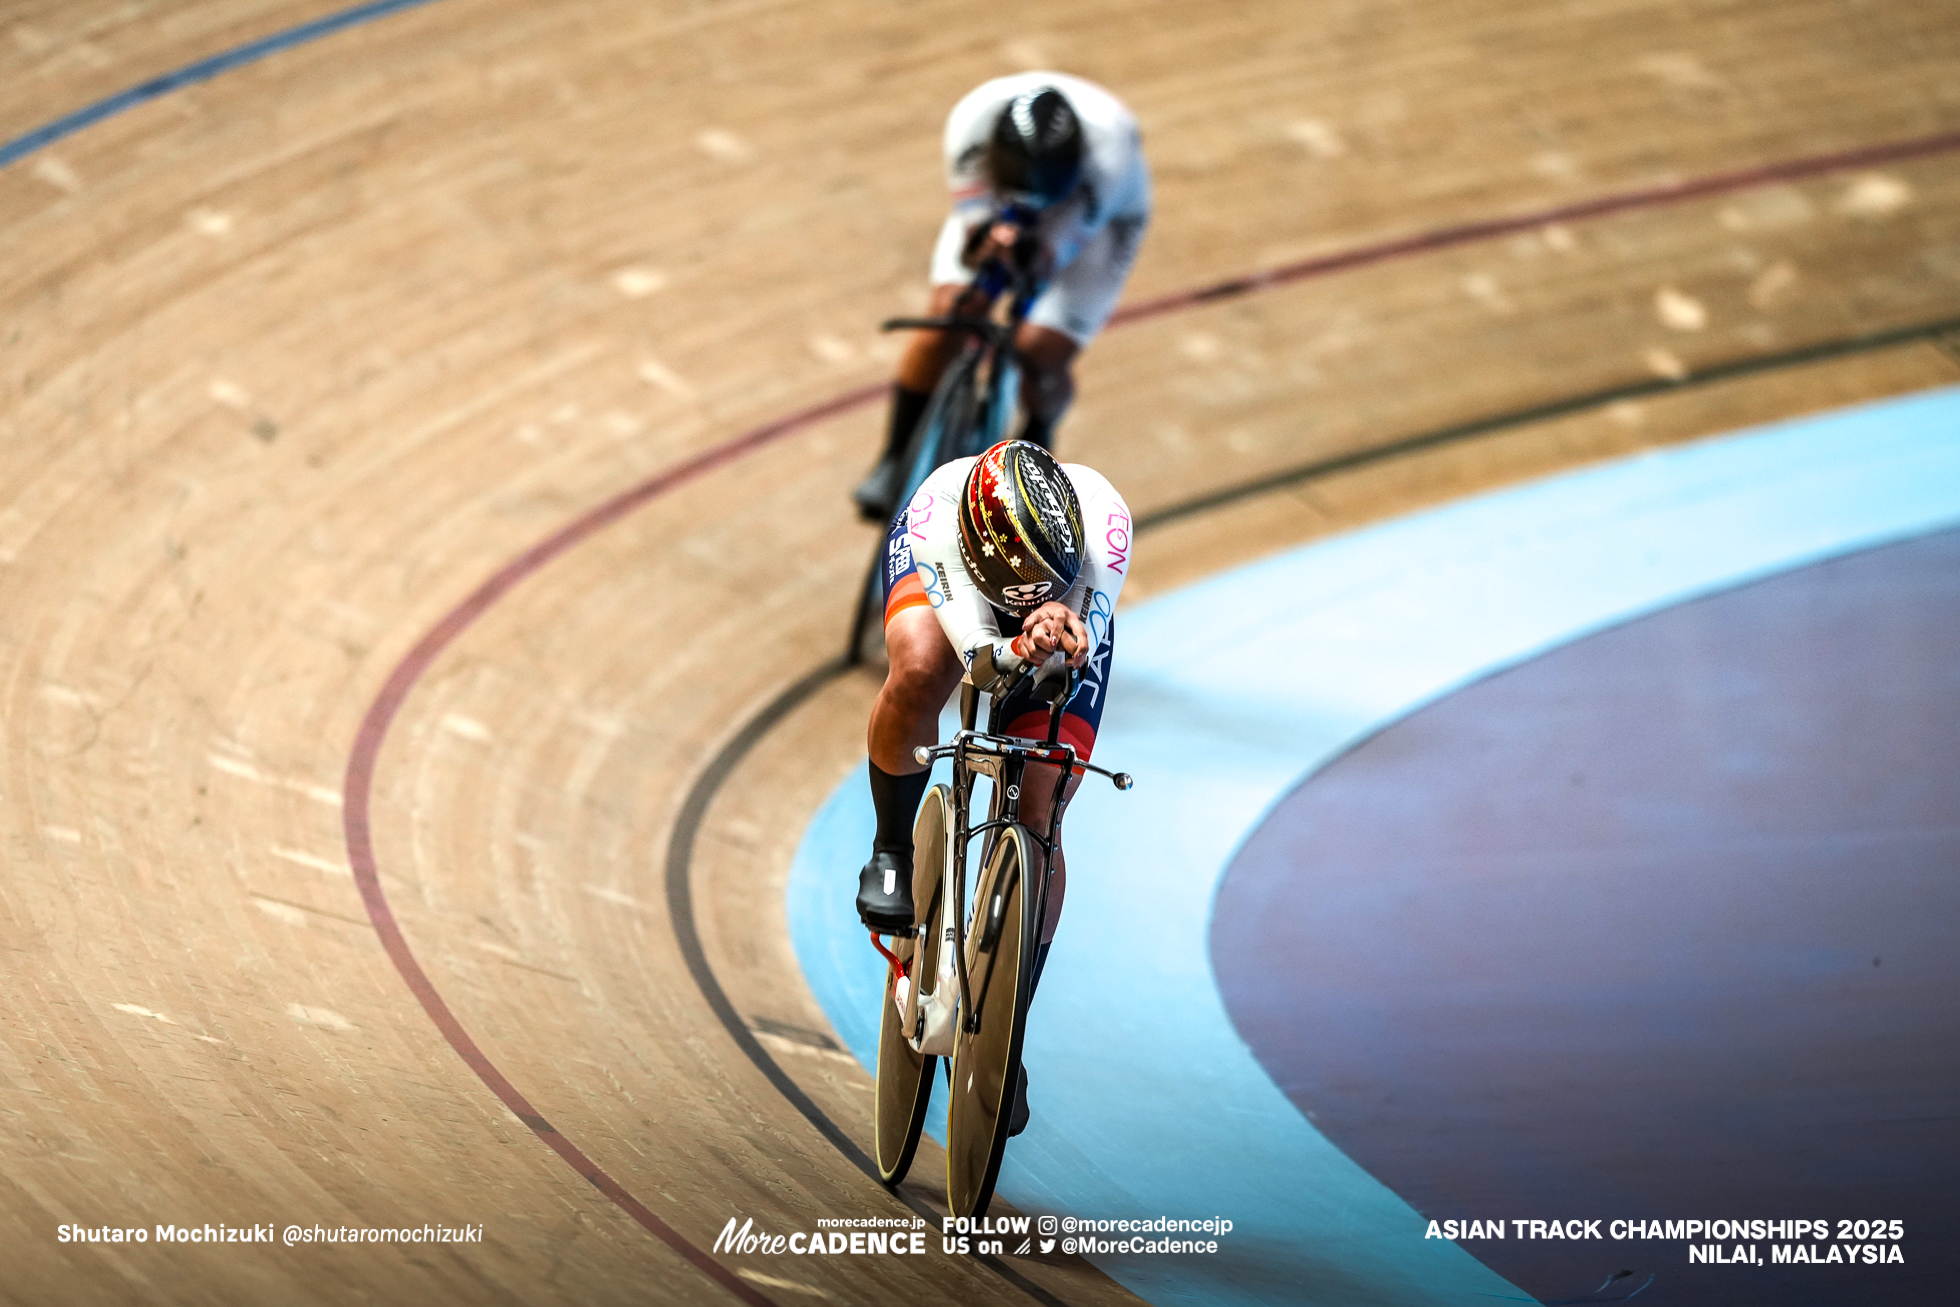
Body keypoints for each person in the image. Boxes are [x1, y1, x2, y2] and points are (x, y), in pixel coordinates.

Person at [857, 437, 1130, 1134]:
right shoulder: (939, 520)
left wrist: (1061, 630)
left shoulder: (1103, 522)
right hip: (960, 595)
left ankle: (1005, 1027)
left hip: (1060, 598)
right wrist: (1015, 643)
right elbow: (979, 662)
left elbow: (1086, 631)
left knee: (1044, 790)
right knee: (922, 668)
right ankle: (891, 847)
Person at [851, 72, 1151, 522]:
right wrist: (987, 247)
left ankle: (1039, 427)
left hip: (1099, 221)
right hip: (999, 196)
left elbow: (1052, 253)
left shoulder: (1109, 159)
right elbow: (973, 231)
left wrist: (1034, 261)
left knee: (1040, 348)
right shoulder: (971, 122)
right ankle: (895, 457)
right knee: (950, 316)